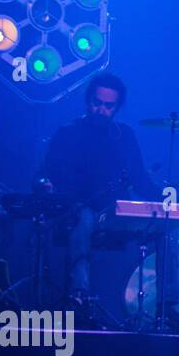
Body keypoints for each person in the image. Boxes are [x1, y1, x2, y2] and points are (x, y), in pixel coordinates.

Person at [39, 73, 157, 318]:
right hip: (78, 209)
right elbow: (43, 174)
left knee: (167, 226)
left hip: (115, 212)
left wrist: (169, 201)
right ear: (87, 100)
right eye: (96, 102)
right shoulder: (68, 132)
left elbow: (140, 179)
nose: (100, 109)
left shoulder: (124, 135)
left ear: (117, 107)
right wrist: (45, 185)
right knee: (83, 218)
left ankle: (167, 305)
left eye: (108, 105)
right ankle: (79, 295)